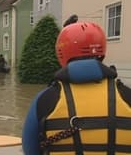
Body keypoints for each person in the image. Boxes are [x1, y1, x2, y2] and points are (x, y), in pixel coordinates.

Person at [22, 20, 131, 155]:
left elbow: (30, 150)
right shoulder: (127, 95)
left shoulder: (45, 99)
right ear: (102, 51)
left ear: (61, 52)